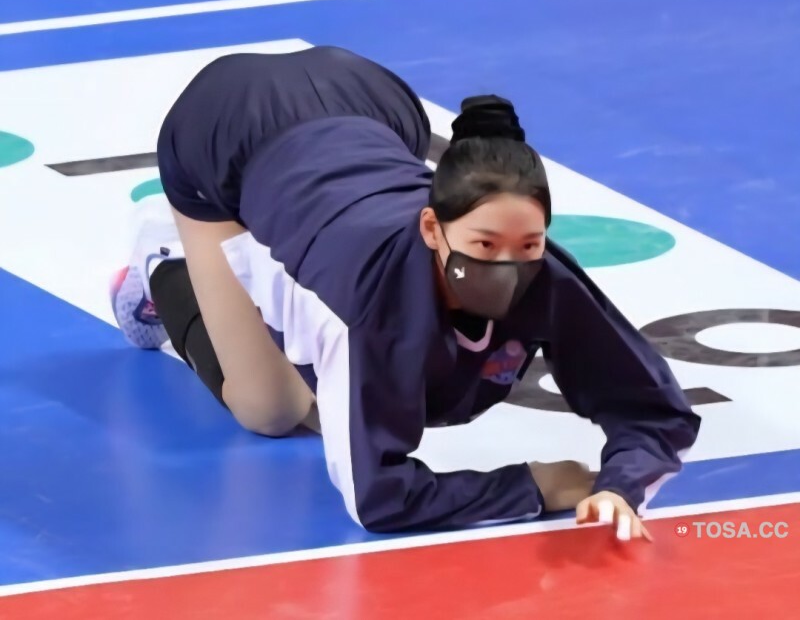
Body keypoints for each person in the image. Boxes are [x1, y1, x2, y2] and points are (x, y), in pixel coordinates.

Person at [110, 45, 700, 538]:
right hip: (225, 128)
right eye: (484, 244)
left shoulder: (547, 275)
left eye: (528, 244)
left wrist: (620, 485)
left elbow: (652, 408)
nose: (508, 265)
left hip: (370, 99)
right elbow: (378, 499)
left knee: (332, 401)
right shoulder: (364, 306)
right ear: (432, 228)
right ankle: (167, 262)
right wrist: (534, 487)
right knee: (272, 409)